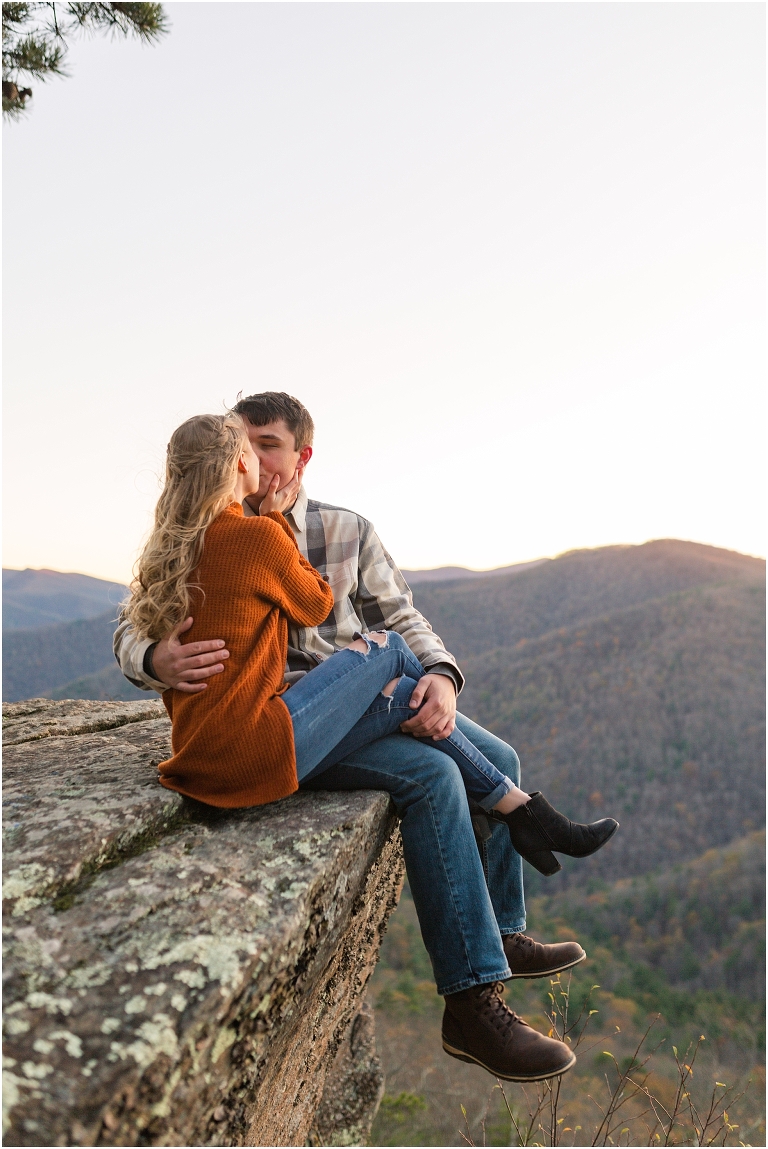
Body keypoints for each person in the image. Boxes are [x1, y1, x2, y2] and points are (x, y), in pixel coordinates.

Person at [115, 393, 618, 1082]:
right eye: (247, 446)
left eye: (270, 444)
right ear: (230, 462)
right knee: (438, 774)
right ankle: (474, 998)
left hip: (358, 705)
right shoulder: (226, 532)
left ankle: (500, 927)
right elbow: (135, 623)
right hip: (291, 722)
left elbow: (402, 613)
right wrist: (152, 658)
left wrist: (439, 676)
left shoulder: (344, 529)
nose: (259, 459)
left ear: (301, 456)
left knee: (496, 752)